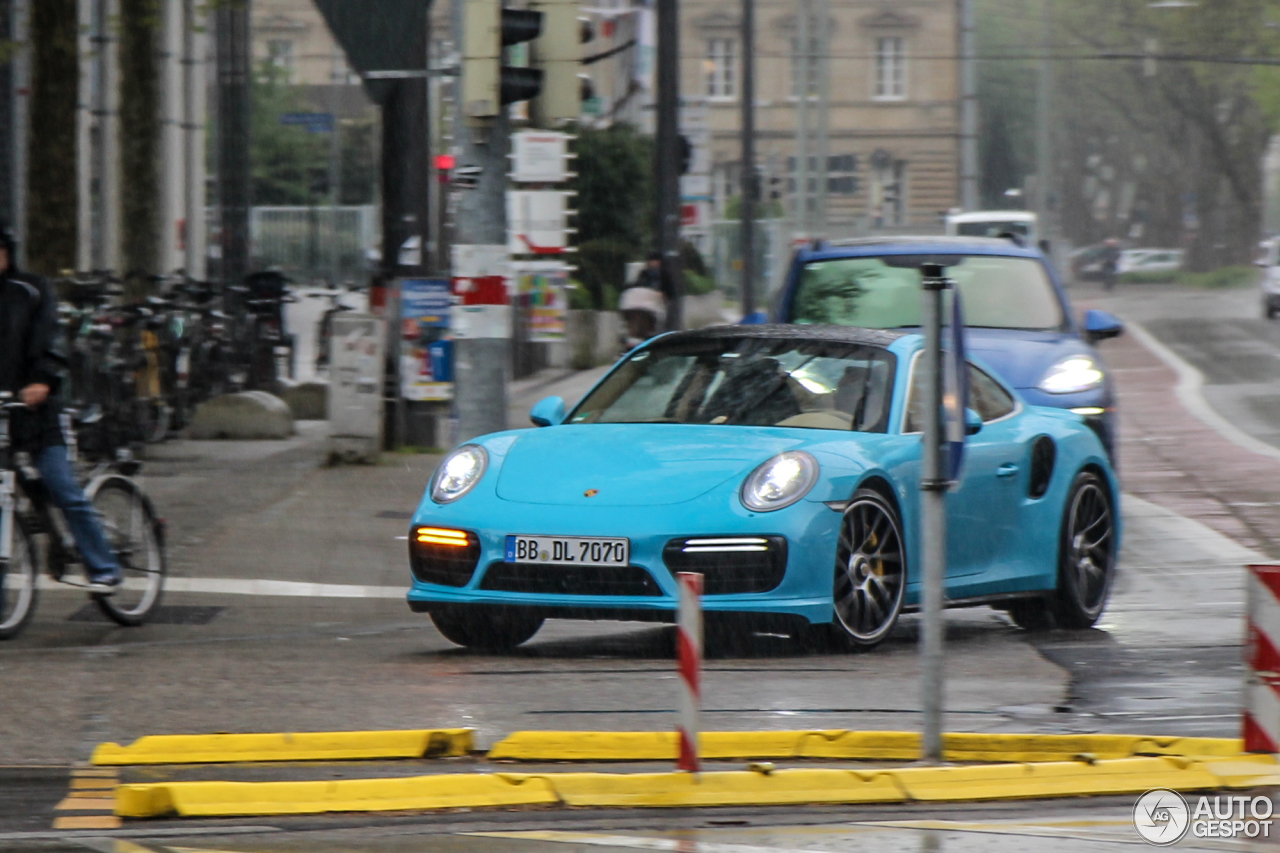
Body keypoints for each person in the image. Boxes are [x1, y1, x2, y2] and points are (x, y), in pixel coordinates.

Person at [0, 228, 121, 591]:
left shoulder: (32, 289)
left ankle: (103, 567)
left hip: (37, 410)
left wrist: (42, 380)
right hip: (2, 411)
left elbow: (50, 338)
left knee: (61, 486)